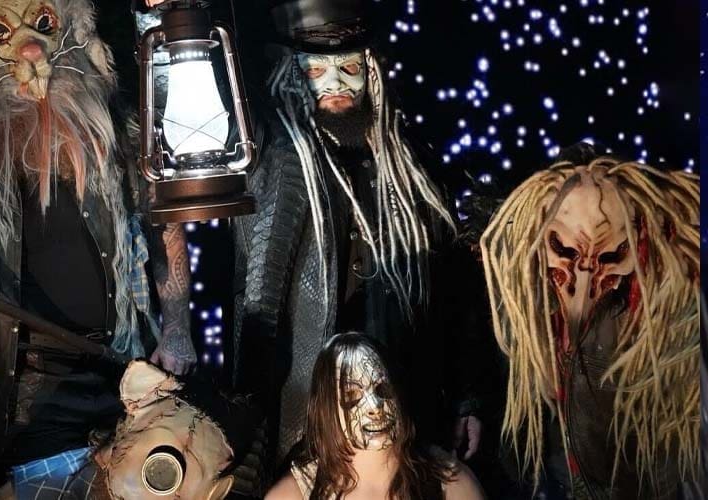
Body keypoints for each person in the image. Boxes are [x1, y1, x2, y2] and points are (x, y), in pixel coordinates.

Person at [0, 0, 193, 496]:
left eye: (43, 24)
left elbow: (163, 222)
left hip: (124, 369)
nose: (31, 48)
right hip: (31, 392)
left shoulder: (112, 129)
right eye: (0, 31)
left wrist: (177, 328)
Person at [229, 0, 486, 474]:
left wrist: (466, 398)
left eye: (348, 68)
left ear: (371, 70)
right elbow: (259, 303)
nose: (335, 84)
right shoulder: (278, 160)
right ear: (292, 73)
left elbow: (454, 292)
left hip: (406, 402)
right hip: (309, 415)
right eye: (316, 70)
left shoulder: (411, 167)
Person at [480, 145, 700, 498]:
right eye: (564, 249)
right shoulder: (520, 302)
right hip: (551, 475)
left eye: (611, 254)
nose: (583, 282)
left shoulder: (652, 314)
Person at [265, 333, 484, 500]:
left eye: (382, 389)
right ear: (326, 408)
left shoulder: (450, 482)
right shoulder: (294, 494)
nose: (375, 407)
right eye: (352, 395)